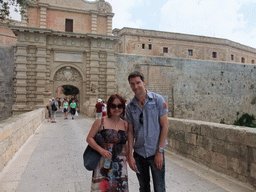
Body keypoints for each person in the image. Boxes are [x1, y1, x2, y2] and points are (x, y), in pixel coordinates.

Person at [126, 71, 168, 192]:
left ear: (143, 82)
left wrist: (160, 151)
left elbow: (165, 126)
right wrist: (130, 155)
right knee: (143, 188)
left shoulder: (158, 100)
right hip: (139, 154)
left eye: (138, 83)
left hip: (155, 152)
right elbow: (130, 132)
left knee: (159, 188)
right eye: (132, 84)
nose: (136, 86)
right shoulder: (130, 107)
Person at [86, 94, 129, 192]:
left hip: (120, 164)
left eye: (120, 106)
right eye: (113, 106)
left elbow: (126, 144)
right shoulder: (100, 121)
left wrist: (129, 157)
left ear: (123, 107)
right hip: (102, 162)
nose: (116, 108)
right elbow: (89, 138)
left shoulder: (125, 125)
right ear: (108, 106)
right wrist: (101, 150)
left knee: (118, 188)